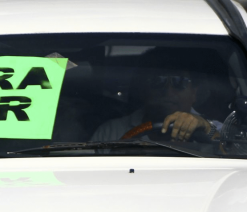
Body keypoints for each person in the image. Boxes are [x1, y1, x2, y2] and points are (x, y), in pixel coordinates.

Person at [91, 48, 221, 142]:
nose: (168, 91)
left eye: (179, 82)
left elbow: (234, 160)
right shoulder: (111, 132)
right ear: (143, 89)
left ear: (194, 92)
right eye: (157, 81)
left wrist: (207, 130)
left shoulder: (217, 129)